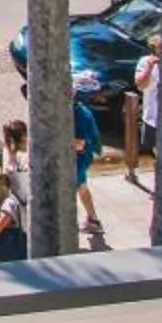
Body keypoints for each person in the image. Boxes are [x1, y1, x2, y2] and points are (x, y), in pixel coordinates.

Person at [70, 94, 104, 235]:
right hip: (81, 155)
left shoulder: (81, 115)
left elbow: (81, 143)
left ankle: (93, 219)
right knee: (81, 186)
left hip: (81, 156)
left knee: (81, 185)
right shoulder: (79, 111)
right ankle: (93, 219)